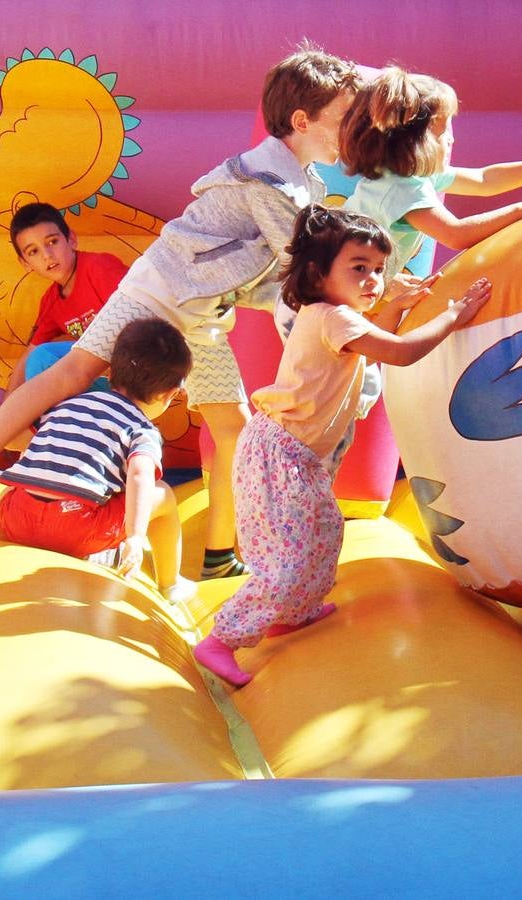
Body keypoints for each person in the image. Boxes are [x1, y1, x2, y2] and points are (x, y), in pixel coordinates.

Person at [0, 44, 362, 582]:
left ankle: (217, 555)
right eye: (344, 117)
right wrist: (364, 294)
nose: (350, 129)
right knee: (73, 370)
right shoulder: (269, 182)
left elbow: (264, 276)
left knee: (232, 428)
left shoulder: (300, 183)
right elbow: (300, 267)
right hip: (160, 291)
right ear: (303, 120)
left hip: (201, 315)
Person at [193, 204, 492, 687]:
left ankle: (296, 611)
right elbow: (400, 352)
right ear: (317, 273)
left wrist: (395, 306)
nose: (374, 279)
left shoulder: (337, 318)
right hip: (280, 453)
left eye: (378, 269)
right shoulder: (334, 318)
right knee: (286, 559)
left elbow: (379, 337)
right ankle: (220, 640)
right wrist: (453, 316)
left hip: (299, 456)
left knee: (326, 532)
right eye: (359, 268)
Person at [0, 318, 195, 604]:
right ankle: (170, 584)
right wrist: (135, 538)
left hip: (14, 517)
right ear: (170, 394)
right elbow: (140, 476)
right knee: (161, 493)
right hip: (74, 530)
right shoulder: (141, 428)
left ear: (110, 373)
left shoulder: (69, 403)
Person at [338, 65, 522, 274]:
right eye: (443, 132)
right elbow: (456, 234)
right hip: (345, 289)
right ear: (416, 140)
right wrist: (521, 211)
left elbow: (484, 179)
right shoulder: (400, 188)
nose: (452, 139)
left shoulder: (412, 175)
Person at [6, 203, 127, 392]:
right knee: (38, 362)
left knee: (43, 358)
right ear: (25, 263)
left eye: (52, 242)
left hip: (142, 367)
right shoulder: (51, 302)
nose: (47, 255)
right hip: (111, 382)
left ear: (71, 239)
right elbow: (27, 358)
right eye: (34, 251)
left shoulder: (99, 268)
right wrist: (6, 412)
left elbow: (138, 322)